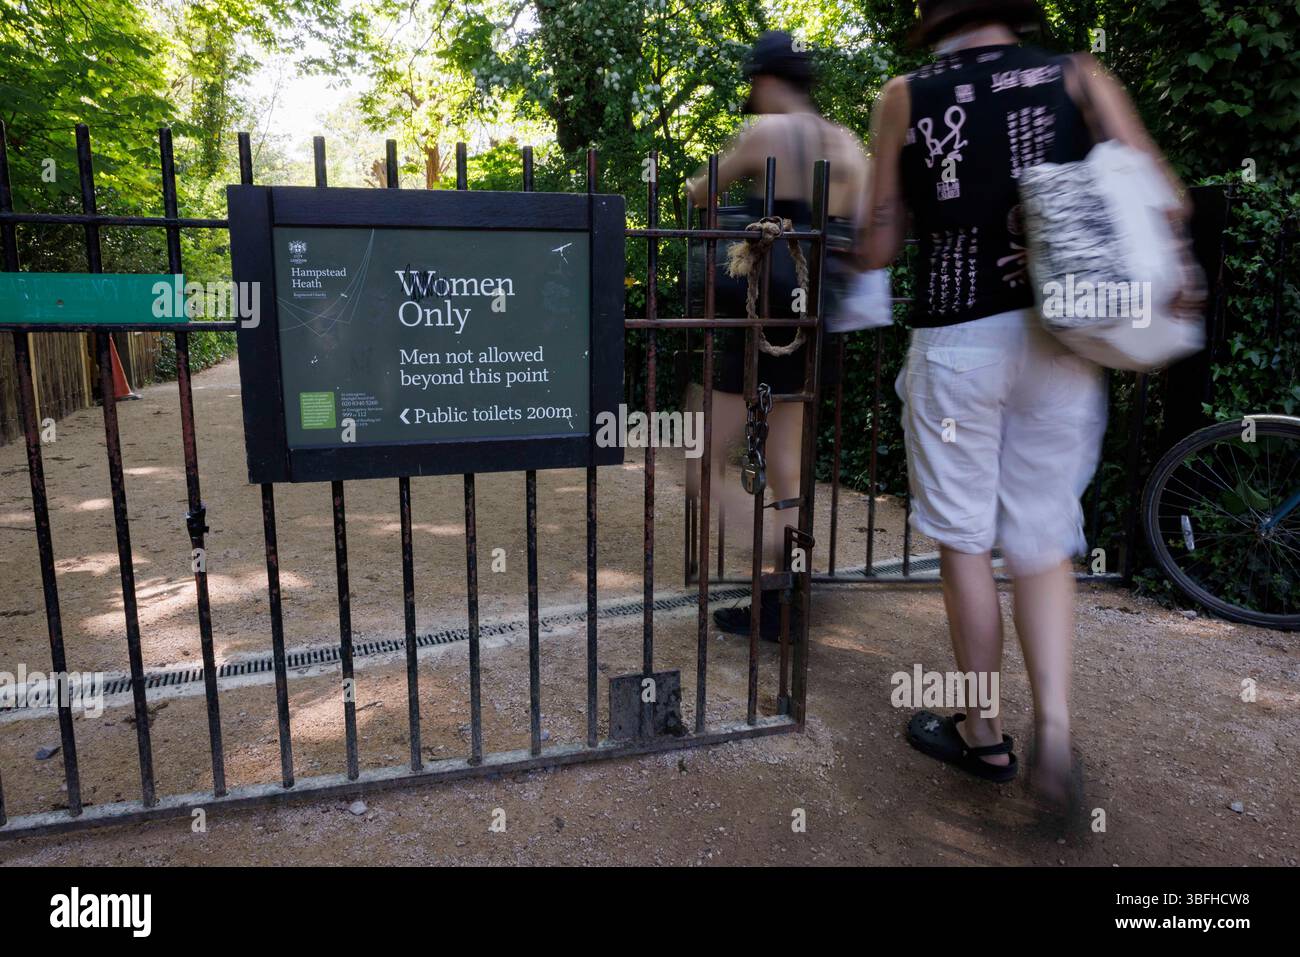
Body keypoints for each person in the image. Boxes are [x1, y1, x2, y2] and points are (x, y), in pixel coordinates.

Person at [858, 0, 1202, 811]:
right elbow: (1165, 197)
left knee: (965, 539)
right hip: (1061, 337)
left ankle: (982, 732)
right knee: (1044, 536)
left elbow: (878, 242)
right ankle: (1053, 727)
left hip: (957, 342)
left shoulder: (906, 94)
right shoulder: (1079, 73)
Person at [685, 29, 870, 641]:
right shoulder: (846, 144)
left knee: (697, 455)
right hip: (816, 312)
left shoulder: (768, 133)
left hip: (762, 311)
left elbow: (698, 191)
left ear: (766, 81)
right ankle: (785, 590)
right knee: (788, 465)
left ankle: (772, 548)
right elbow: (863, 235)